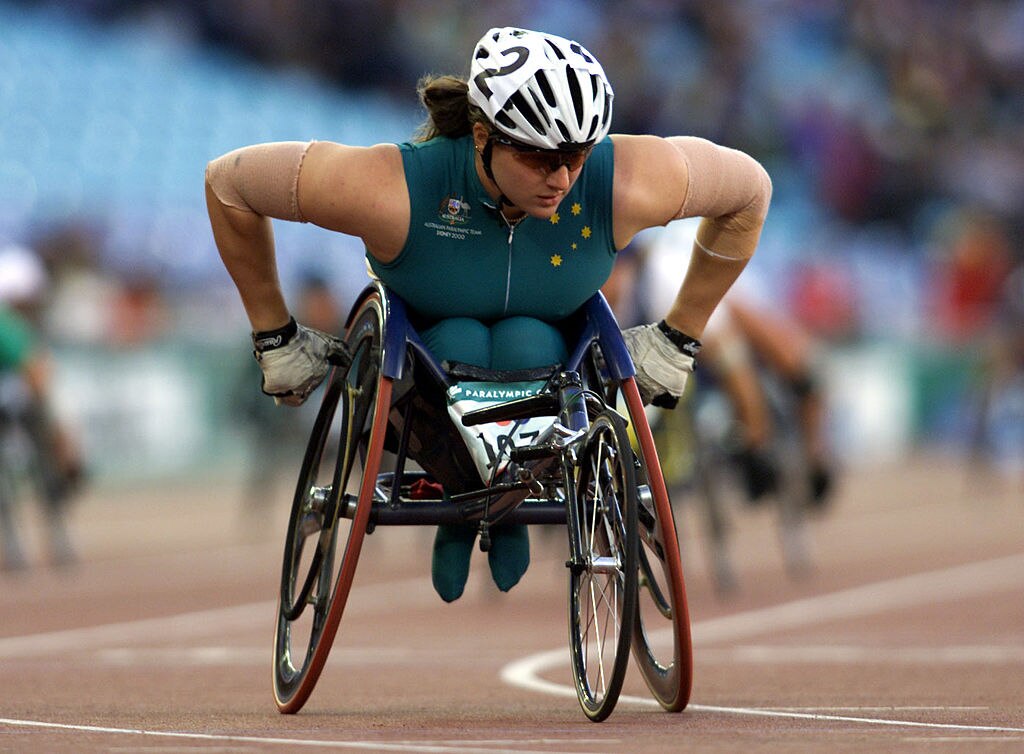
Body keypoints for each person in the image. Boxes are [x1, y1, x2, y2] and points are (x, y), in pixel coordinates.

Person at [205, 27, 772, 602]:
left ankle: (501, 503)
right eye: (538, 157)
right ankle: (472, 501)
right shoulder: (395, 187)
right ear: (482, 137)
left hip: (549, 367)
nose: (562, 179)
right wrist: (274, 335)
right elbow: (229, 184)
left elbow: (750, 190)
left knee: (527, 339)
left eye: (576, 156)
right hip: (427, 377)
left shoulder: (621, 181)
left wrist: (679, 337)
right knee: (461, 336)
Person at [0, 244, 83, 569]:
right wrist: (63, 435)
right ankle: (53, 536)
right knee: (44, 468)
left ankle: (14, 545)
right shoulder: (10, 326)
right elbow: (37, 375)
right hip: (17, 408)